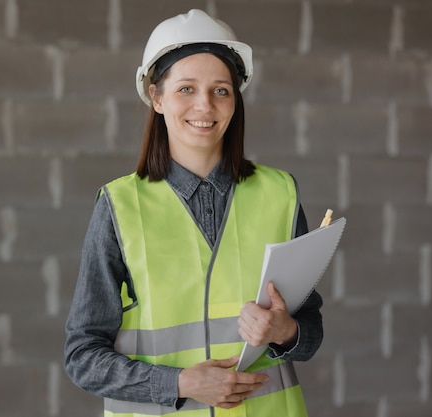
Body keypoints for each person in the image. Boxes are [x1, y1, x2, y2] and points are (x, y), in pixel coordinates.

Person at [64, 9, 323, 417]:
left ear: (235, 101)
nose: (205, 104)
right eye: (186, 88)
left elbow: (308, 331)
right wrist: (179, 383)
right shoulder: (119, 206)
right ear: (157, 96)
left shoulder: (280, 194)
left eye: (221, 90)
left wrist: (285, 331)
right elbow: (82, 356)